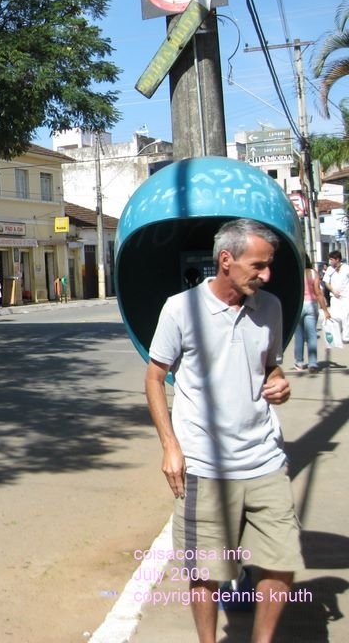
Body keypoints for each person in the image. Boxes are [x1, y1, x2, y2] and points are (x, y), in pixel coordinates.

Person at [144, 219, 302, 643]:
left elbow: (269, 365)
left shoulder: (270, 307)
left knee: (281, 561)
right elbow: (155, 376)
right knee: (205, 570)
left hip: (265, 459)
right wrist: (169, 446)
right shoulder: (180, 309)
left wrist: (278, 380)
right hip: (204, 464)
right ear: (226, 260)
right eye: (258, 266)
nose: (266, 275)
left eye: (269, 266)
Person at [293, 257, 329, 374]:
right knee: (312, 335)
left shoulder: (295, 272)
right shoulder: (313, 273)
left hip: (298, 305)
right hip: (311, 305)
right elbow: (318, 292)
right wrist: (325, 310)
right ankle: (313, 363)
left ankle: (299, 362)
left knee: (299, 336)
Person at [324, 250, 349, 339]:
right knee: (335, 316)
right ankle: (337, 334)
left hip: (346, 297)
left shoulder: (346, 268)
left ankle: (346, 336)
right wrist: (333, 290)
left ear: (337, 259)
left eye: (331, 259)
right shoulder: (330, 270)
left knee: (346, 316)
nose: (330, 261)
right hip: (334, 297)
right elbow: (326, 282)